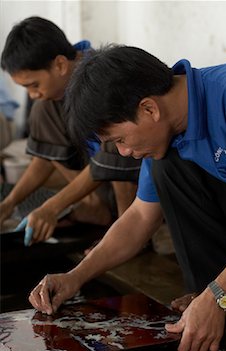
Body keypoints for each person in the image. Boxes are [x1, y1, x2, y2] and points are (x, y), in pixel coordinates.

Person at [29, 44, 226, 351]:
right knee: (168, 165)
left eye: (120, 139)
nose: (124, 152)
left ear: (149, 109)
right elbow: (140, 217)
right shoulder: (170, 133)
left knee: (170, 164)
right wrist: (75, 276)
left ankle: (219, 296)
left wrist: (216, 295)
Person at [0, 18, 140, 246]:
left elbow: (112, 160)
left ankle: (127, 233)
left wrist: (52, 207)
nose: (32, 94)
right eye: (26, 88)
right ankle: (96, 207)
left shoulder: (101, 81)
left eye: (34, 85)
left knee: (118, 154)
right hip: (102, 175)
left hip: (135, 169)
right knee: (42, 111)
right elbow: (43, 160)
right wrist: (9, 203)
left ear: (60, 65)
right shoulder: (50, 99)